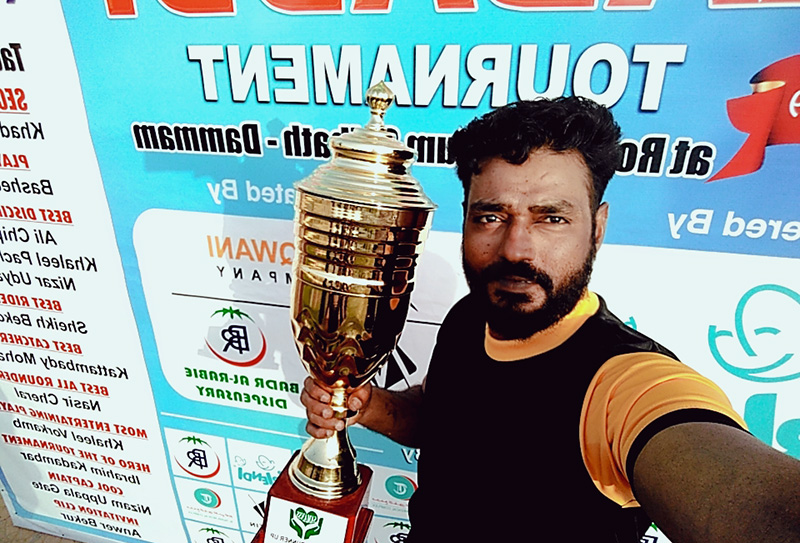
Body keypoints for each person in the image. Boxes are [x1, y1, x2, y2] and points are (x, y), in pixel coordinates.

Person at [301, 97, 800, 542]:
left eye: (551, 218)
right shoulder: (469, 315)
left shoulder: (624, 382)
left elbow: (746, 497)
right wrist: (368, 406)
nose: (515, 249)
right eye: (491, 216)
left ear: (597, 227)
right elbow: (441, 417)